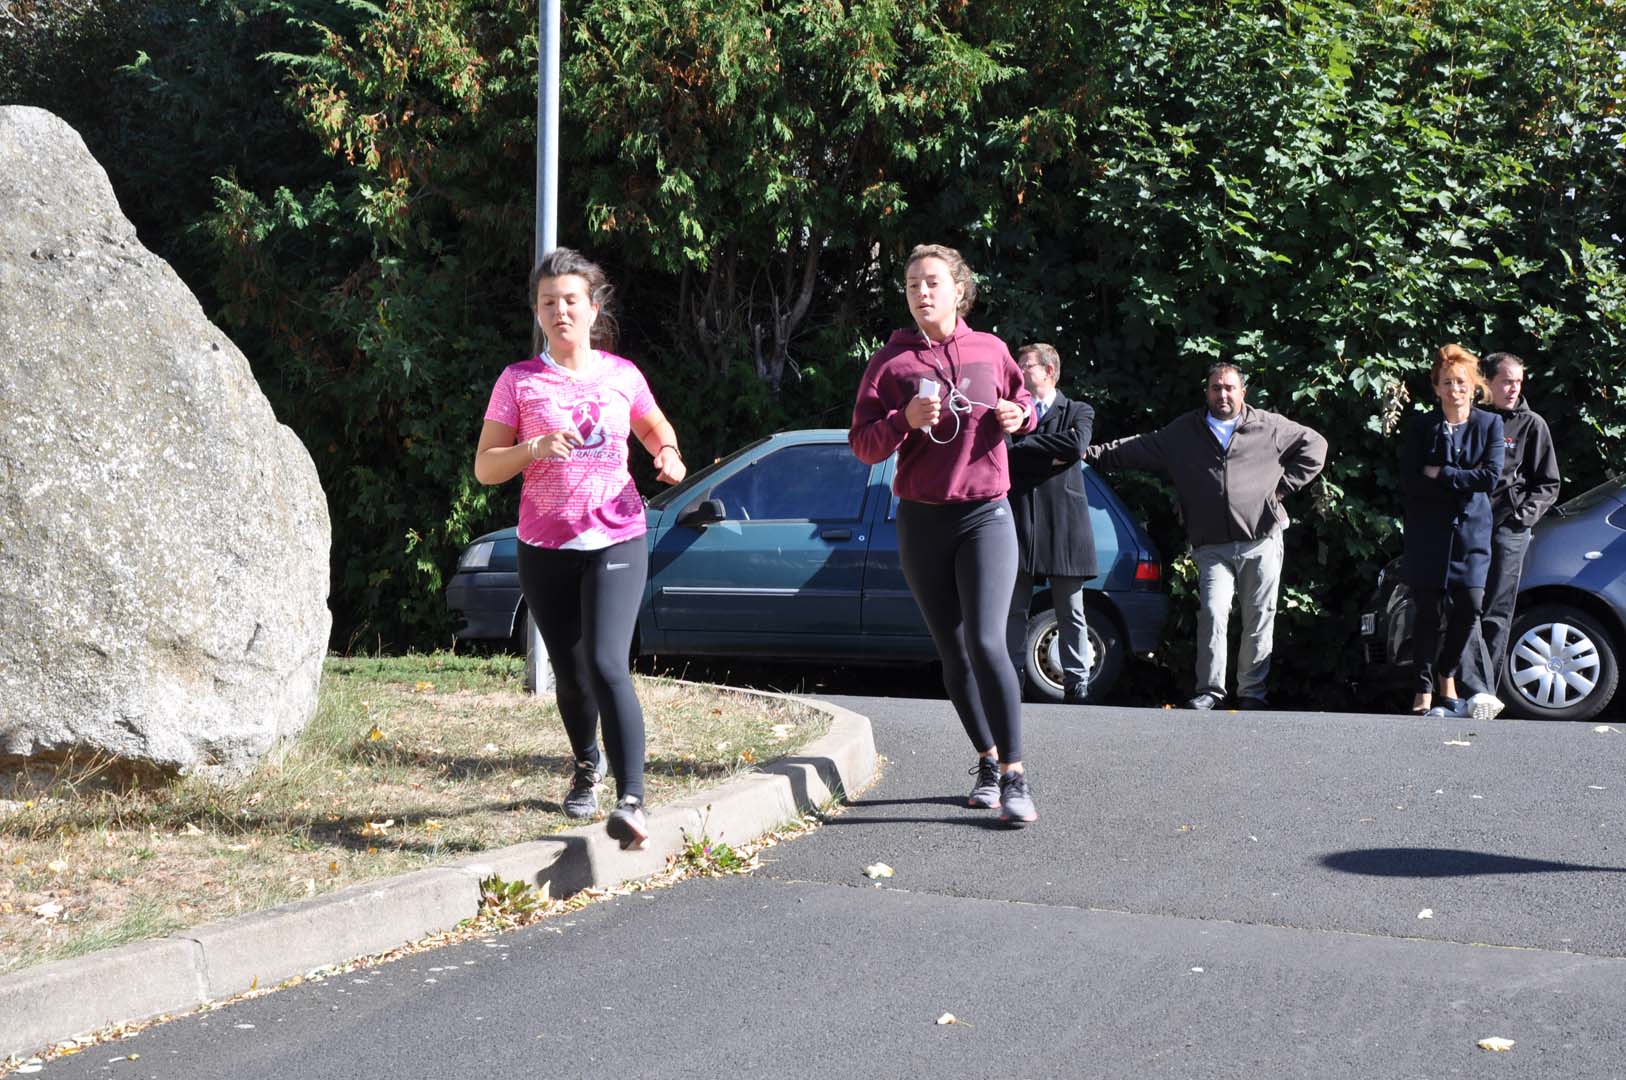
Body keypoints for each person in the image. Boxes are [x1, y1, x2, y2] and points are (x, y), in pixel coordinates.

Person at [473, 248, 686, 850]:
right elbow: (486, 468)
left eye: (571, 300)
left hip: (617, 534)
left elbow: (654, 427)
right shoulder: (518, 382)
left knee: (607, 664)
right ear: (538, 313)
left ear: (593, 308)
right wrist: (533, 448)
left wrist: (666, 453)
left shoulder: (622, 375)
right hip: (544, 545)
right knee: (570, 673)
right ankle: (586, 763)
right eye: (548, 302)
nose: (560, 310)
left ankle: (633, 800)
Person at [849, 244, 1039, 824]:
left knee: (987, 642)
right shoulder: (891, 364)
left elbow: (1023, 399)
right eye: (911, 285)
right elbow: (862, 445)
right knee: (952, 651)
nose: (922, 293)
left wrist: (1020, 416)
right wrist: (900, 422)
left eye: (932, 282)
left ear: (960, 289)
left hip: (986, 514)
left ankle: (1014, 776)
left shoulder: (991, 350)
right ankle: (985, 759)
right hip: (922, 518)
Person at [1084, 362, 1327, 710]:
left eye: (1229, 387)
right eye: (1216, 387)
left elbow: (1315, 445)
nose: (1223, 394)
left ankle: (1251, 695)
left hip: (1261, 540)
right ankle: (1211, 690)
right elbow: (1136, 447)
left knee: (1259, 617)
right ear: (1207, 392)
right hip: (1211, 545)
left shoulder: (1269, 426)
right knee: (1213, 612)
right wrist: (1088, 454)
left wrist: (1282, 489)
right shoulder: (1185, 432)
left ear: (1243, 391)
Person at [1399, 344, 1504, 718]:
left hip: (1471, 536)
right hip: (1428, 535)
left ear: (1473, 386)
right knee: (1427, 613)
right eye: (1447, 382)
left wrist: (1443, 474)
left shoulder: (1489, 425)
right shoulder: (1422, 427)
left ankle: (1447, 671)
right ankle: (1424, 687)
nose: (1454, 389)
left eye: (1461, 382)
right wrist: (1462, 478)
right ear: (1436, 387)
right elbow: (1411, 480)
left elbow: (1490, 477)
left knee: (1471, 606)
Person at [1455, 352, 1558, 715]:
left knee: (1498, 610)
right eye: (1507, 381)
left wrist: (1521, 518)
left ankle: (1485, 694)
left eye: (1519, 381)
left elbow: (1548, 483)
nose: (1514, 388)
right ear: (1488, 383)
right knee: (1465, 604)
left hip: (1508, 529)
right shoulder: (1472, 419)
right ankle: (1473, 690)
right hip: (1470, 525)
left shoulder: (1533, 425)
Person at [1005, 343, 1098, 704]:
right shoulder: (1012, 413)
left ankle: (1078, 681)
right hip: (1020, 523)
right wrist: (1047, 453)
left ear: (1049, 372)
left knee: (1071, 610)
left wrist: (1026, 447)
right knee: (1013, 609)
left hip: (1064, 526)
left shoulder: (1078, 410)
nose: (1019, 370)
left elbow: (1076, 447)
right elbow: (1004, 453)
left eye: (1026, 365)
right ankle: (1010, 679)